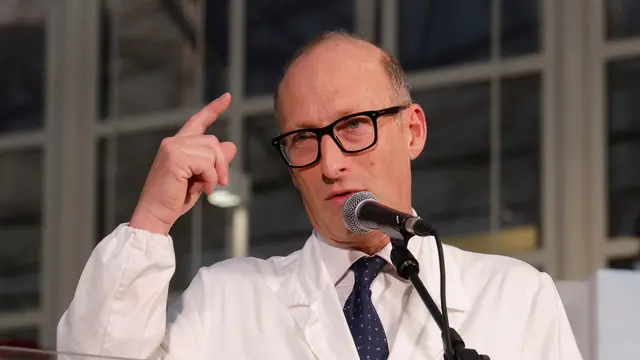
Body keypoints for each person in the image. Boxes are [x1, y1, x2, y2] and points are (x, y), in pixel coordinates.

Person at [57, 31, 583, 360]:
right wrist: (151, 219)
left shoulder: (515, 299)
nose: (330, 164)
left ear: (413, 132)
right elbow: (92, 357)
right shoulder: (229, 300)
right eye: (304, 139)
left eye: (355, 126)